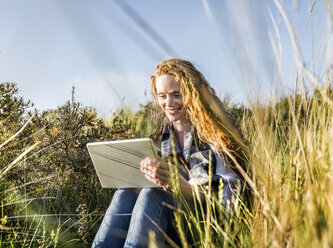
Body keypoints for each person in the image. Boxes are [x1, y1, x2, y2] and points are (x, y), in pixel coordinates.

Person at [92, 58, 249, 248]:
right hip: (172, 222)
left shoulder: (218, 138)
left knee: (155, 195)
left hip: (210, 227)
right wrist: (136, 184)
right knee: (125, 194)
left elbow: (227, 208)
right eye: (162, 95)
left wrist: (179, 185)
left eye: (177, 94)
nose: (168, 103)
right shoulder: (161, 139)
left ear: (193, 94)